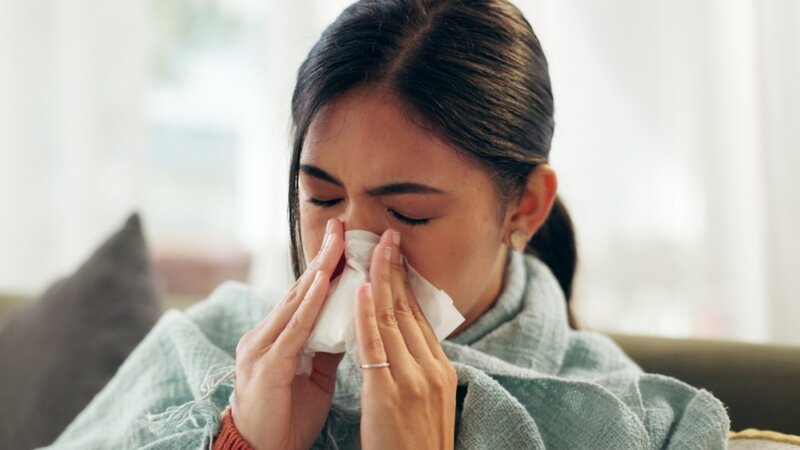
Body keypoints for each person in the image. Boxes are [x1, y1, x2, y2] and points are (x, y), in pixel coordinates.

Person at [43, 0, 729, 448]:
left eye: (410, 212)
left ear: (524, 207)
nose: (351, 248)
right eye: (320, 198)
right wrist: (243, 438)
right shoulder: (208, 346)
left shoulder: (632, 424)